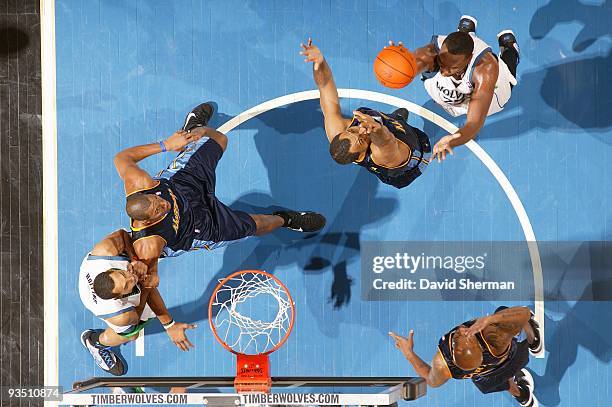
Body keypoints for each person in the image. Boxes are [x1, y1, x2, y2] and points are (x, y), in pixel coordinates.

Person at [113, 102, 326, 285]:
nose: (163, 204)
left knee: (219, 140)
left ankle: (194, 129)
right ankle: (286, 219)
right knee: (260, 224)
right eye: (159, 209)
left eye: (157, 199)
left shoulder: (139, 183)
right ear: (149, 220)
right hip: (200, 228)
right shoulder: (148, 245)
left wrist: (165, 145)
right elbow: (151, 275)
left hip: (183, 185)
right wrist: (153, 279)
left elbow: (122, 158)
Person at [300, 38, 431, 189]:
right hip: (414, 156)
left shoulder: (337, 129)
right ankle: (396, 122)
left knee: (381, 119)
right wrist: (377, 128)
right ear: (360, 155)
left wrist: (319, 63)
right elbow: (387, 140)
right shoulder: (381, 155)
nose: (361, 130)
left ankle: (395, 119)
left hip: (385, 129)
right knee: (385, 127)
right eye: (362, 140)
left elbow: (325, 87)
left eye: (354, 130)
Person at [393, 15, 520, 161]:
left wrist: (453, 139)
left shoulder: (485, 69)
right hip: (454, 88)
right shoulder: (431, 52)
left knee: (507, 81)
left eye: (452, 67)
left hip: (484, 93)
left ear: (469, 57)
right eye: (441, 62)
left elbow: (473, 123)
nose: (443, 72)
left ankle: (510, 50)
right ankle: (466, 34)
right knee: (441, 75)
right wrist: (397, 60)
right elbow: (410, 66)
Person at [79, 229, 196, 376]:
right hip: (107, 308)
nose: (131, 278)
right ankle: (95, 342)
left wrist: (134, 259)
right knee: (131, 335)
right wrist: (145, 283)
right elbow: (136, 318)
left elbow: (122, 234)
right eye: (127, 286)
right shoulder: (120, 315)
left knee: (142, 249)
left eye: (123, 274)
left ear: (110, 271)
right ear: (119, 297)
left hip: (91, 275)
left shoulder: (104, 252)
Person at [389, 306, 542, 406]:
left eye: (457, 338)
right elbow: (524, 313)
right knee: (506, 314)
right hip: (512, 358)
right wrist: (490, 319)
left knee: (497, 380)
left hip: (486, 376)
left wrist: (409, 353)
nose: (461, 330)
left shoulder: (444, 364)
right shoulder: (493, 335)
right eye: (464, 336)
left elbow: (431, 380)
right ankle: (534, 340)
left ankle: (522, 396)